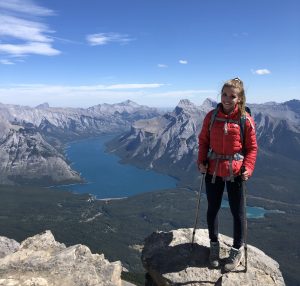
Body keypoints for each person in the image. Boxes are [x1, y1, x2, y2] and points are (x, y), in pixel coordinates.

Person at [197, 77, 258, 271]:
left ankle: (236, 250)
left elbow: (252, 148)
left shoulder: (244, 120)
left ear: (239, 99)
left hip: (236, 172)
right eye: (224, 94)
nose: (227, 99)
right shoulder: (211, 116)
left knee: (237, 212)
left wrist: (247, 168)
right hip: (213, 169)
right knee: (212, 208)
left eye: (232, 96)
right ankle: (213, 246)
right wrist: (201, 161)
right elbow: (203, 141)